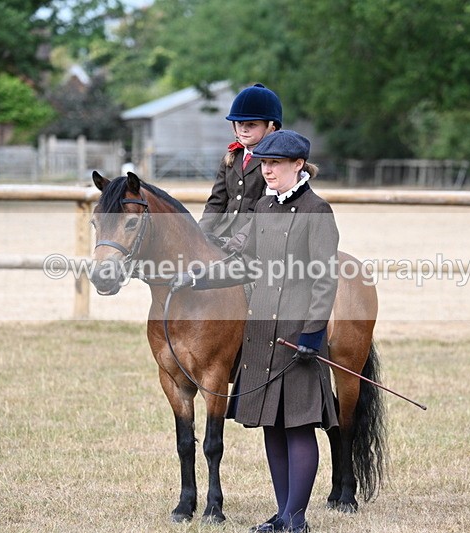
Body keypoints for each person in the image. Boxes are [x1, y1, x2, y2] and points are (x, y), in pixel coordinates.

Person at [174, 130, 339, 532]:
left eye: (275, 164)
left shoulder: (319, 211)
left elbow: (325, 279)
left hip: (298, 334)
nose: (267, 171)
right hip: (262, 330)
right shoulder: (263, 206)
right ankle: (282, 515)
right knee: (273, 426)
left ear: (298, 165)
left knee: (298, 426)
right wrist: (200, 279)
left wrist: (313, 336)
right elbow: (245, 265)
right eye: (263, 164)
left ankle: (296, 519)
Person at [198, 83, 282, 242]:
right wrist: (198, 233)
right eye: (240, 123)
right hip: (222, 232)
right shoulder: (231, 158)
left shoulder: (275, 163)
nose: (243, 129)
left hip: (256, 236)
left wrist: (239, 239)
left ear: (271, 127)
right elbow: (216, 202)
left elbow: (266, 209)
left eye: (251, 124)